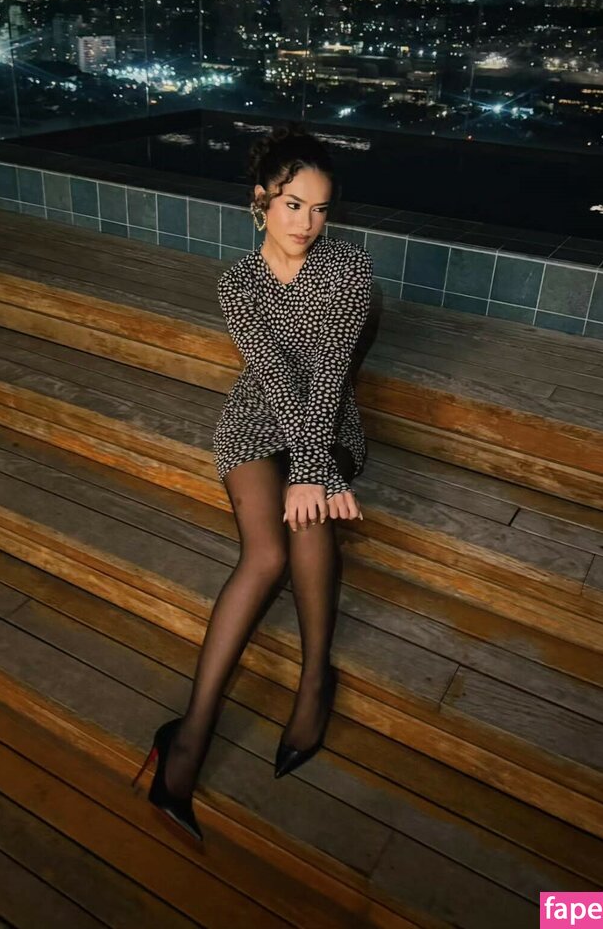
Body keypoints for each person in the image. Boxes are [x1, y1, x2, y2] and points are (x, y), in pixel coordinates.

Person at [132, 121, 374, 844]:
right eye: (293, 205)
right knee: (265, 554)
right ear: (261, 200)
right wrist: (304, 474)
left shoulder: (349, 270)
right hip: (252, 418)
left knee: (308, 520)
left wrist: (311, 470)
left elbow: (327, 378)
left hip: (329, 420)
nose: (306, 223)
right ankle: (189, 738)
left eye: (320, 209)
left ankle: (313, 680)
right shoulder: (237, 282)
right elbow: (270, 376)